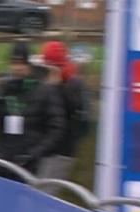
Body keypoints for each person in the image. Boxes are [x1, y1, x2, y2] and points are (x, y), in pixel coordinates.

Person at [0, 41, 65, 175]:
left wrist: (34, 153)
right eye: (14, 62)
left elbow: (56, 128)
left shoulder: (44, 91)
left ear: (29, 64)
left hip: (29, 165)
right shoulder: (2, 89)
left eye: (21, 63)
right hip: (2, 160)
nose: (17, 67)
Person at [37, 40, 89, 182]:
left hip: (60, 152)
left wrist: (54, 88)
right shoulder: (57, 83)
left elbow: (64, 115)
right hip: (47, 150)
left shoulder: (71, 85)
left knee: (42, 196)